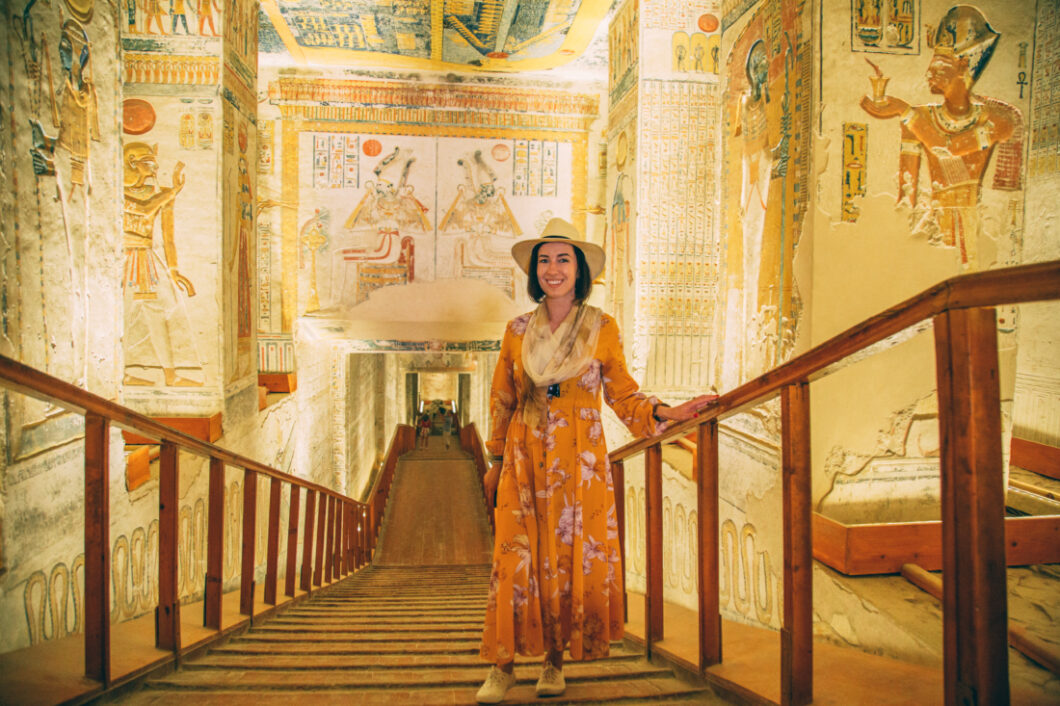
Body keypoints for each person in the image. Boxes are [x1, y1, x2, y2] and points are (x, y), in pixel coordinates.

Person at [476, 218, 716, 703]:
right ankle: (502, 666)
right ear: (535, 271)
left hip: (579, 457)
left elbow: (622, 393)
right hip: (524, 453)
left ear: (579, 269)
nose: (553, 268)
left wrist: (663, 411)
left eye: (563, 259)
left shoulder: (601, 327)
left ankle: (553, 661)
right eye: (544, 260)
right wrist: (496, 460)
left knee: (564, 561)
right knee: (515, 558)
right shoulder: (516, 330)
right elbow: (502, 399)